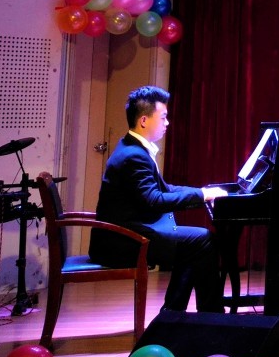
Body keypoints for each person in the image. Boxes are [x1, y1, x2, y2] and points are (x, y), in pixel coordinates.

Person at [89, 86, 227, 313]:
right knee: (202, 241)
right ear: (144, 120)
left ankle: (174, 315)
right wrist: (202, 195)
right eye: (163, 117)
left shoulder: (133, 148)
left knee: (195, 243)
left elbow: (163, 189)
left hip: (127, 232)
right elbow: (154, 200)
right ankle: (208, 316)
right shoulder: (134, 156)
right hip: (123, 242)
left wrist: (201, 192)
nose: (167, 123)